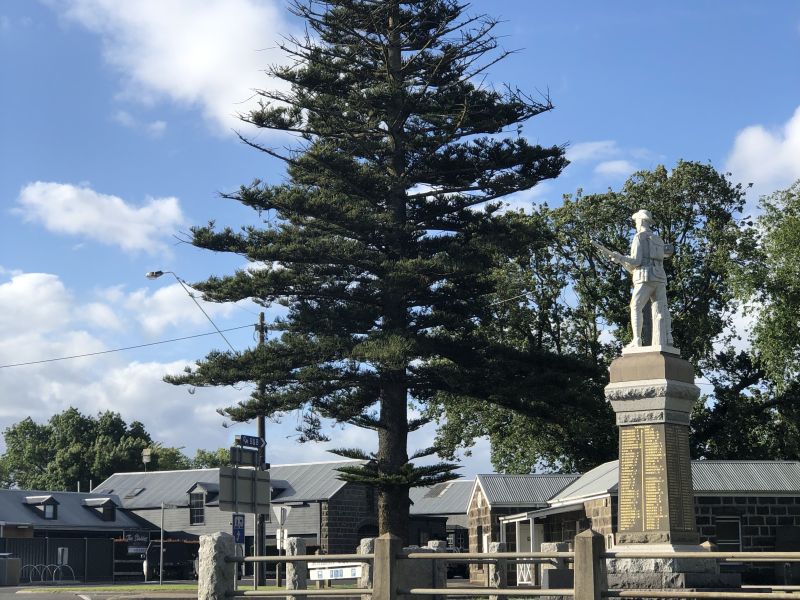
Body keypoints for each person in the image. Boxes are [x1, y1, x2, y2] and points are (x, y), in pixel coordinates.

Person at [593, 209, 674, 348]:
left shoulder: (639, 237)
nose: (635, 223)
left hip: (644, 277)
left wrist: (620, 257)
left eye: (636, 221)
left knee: (635, 306)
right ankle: (667, 336)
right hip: (659, 277)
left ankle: (636, 340)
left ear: (641, 221)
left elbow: (636, 262)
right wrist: (622, 260)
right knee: (661, 308)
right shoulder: (657, 239)